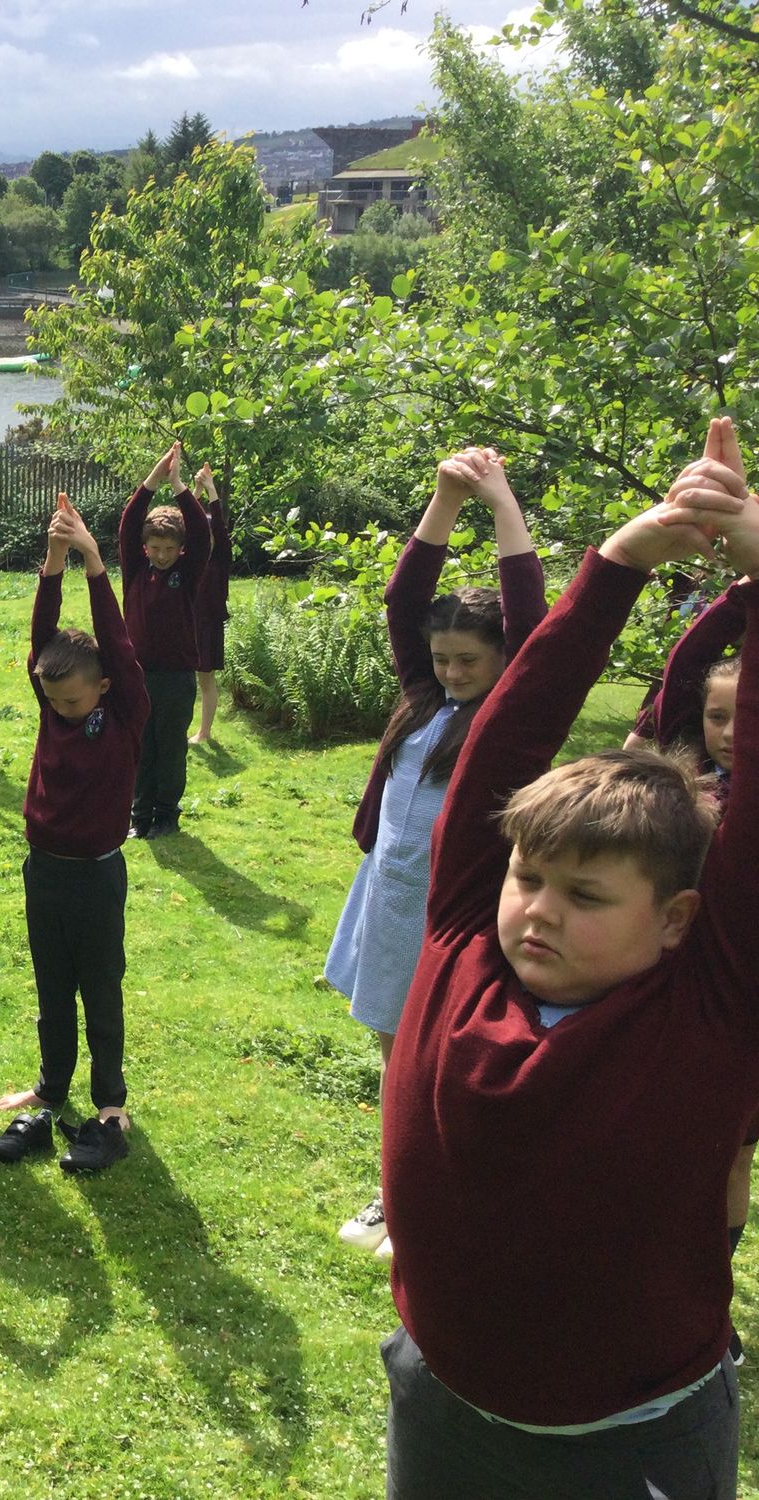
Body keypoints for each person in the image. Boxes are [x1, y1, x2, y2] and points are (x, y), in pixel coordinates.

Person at [380, 418, 759, 1497]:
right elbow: (508, 733)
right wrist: (616, 565)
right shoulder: (463, 942)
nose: (535, 912)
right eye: (529, 880)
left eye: (585, 896)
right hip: (439, 1408)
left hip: (631, 1443)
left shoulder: (707, 1014)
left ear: (678, 920)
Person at [326, 447, 544, 1257]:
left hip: (461, 919)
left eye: (468, 662)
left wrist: (499, 503)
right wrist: (444, 499)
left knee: (451, 1059)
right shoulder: (424, 696)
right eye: (443, 658)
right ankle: (397, 1193)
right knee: (396, 1052)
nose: (451, 672)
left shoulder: (509, 722)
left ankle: (440, 1195)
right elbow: (405, 598)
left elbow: (532, 622)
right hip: (389, 897)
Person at [0, 496, 148, 1168]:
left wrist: (92, 562)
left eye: (72, 701)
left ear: (105, 689)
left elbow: (115, 642)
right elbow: (41, 640)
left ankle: (109, 1099)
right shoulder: (56, 703)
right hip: (44, 869)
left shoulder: (123, 716)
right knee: (52, 988)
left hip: (95, 873)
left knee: (99, 986)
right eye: (51, 699)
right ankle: (51, 1088)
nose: (58, 710)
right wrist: (52, 564)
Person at [649, 581, 751, 1361]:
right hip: (668, 986)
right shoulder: (687, 784)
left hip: (739, 1000)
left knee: (732, 1151)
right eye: (718, 716)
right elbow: (684, 675)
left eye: (741, 719)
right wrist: (738, 597)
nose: (724, 731)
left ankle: (711, 1303)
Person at [117, 442, 212, 839]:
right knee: (141, 747)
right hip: (138, 674)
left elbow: (204, 536)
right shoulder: (136, 569)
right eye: (155, 548)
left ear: (180, 550)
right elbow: (128, 522)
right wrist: (152, 480)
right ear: (144, 548)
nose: (161, 555)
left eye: (169, 549)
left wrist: (178, 486)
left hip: (176, 678)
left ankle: (166, 815)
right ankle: (139, 816)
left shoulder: (187, 573)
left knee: (170, 747)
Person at [190, 464, 231, 747]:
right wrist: (195, 491)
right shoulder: (188, 559)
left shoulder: (220, 559)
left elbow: (217, 524)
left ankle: (204, 732)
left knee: (206, 680)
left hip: (207, 624)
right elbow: (182, 520)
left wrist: (212, 491)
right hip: (184, 622)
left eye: (210, 535)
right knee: (181, 680)